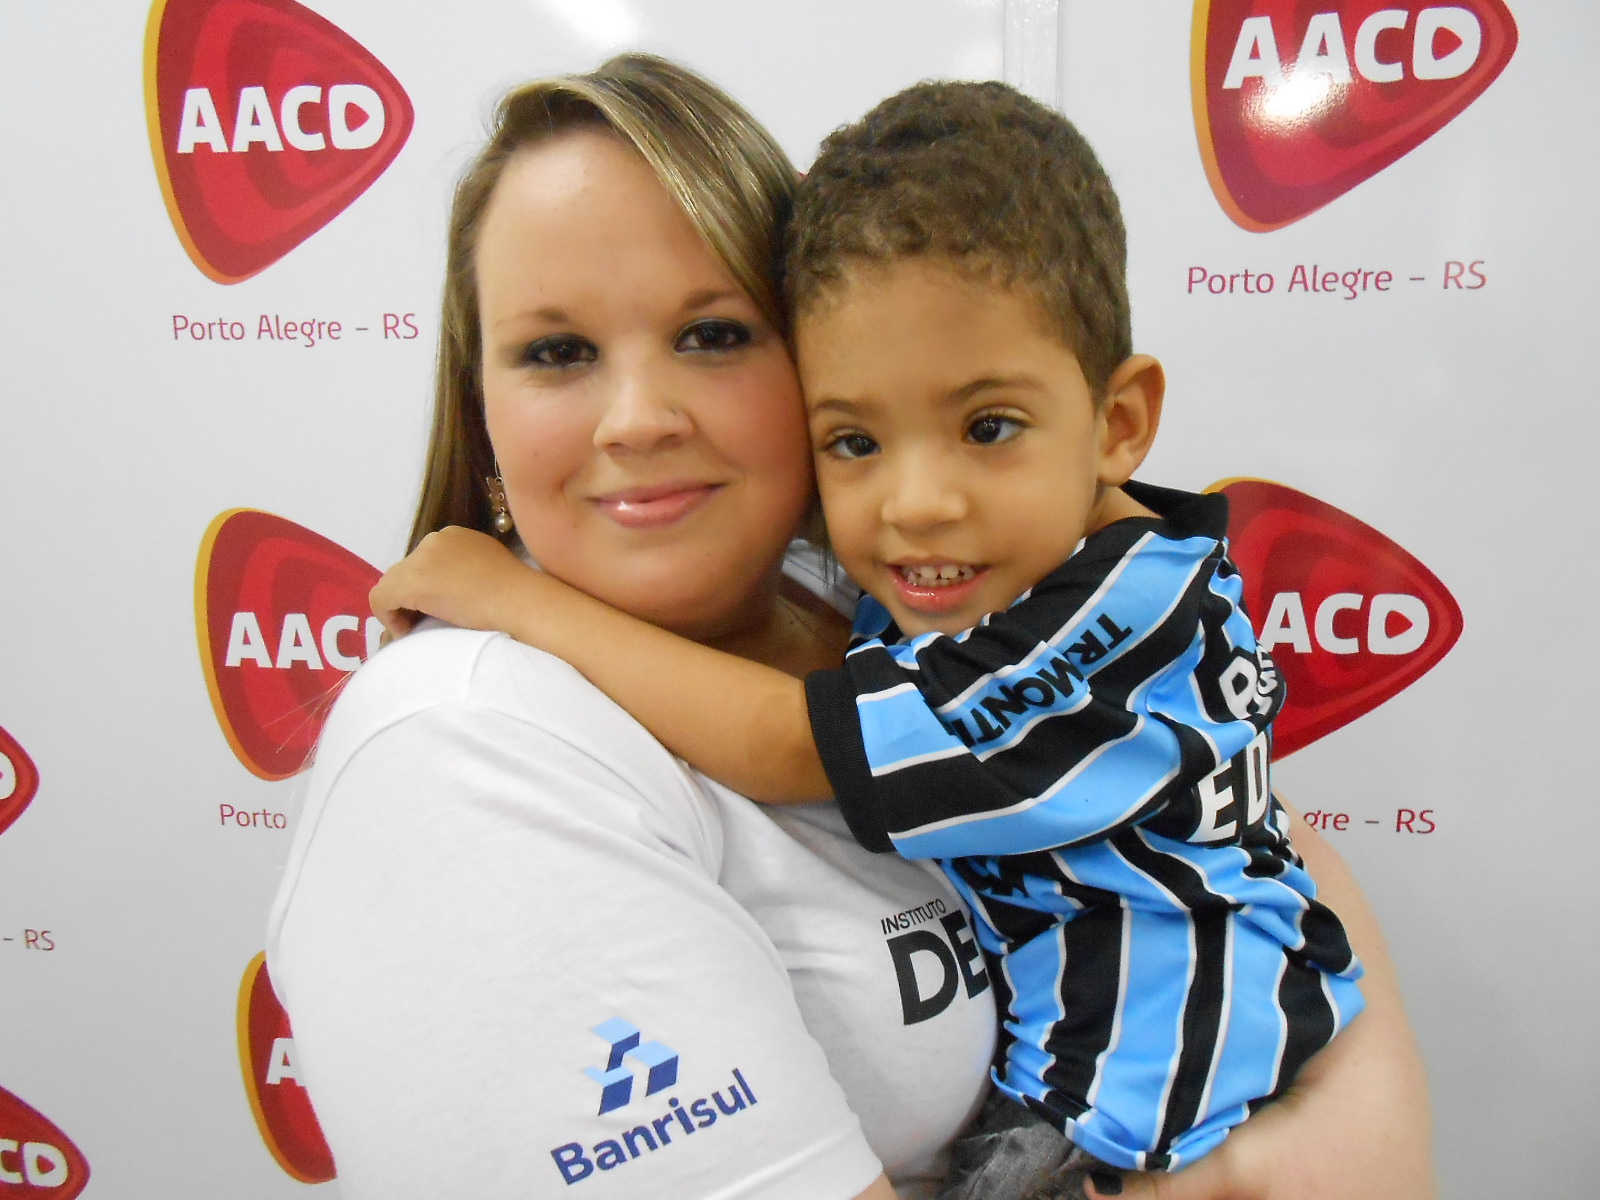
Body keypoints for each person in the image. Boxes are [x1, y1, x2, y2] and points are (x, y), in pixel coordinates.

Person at [271, 52, 1434, 1200]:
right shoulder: (470, 745)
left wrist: (1327, 1139)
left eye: (713, 333)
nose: (637, 417)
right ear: (478, 410)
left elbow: (1242, 837)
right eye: (559, 352)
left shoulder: (913, 601)